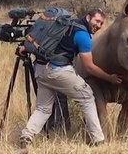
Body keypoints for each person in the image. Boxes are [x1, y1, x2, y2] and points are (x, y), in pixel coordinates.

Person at [19, 8, 122, 153]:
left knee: (43, 108)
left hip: (40, 70)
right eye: (97, 21)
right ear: (88, 18)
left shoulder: (65, 24)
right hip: (58, 71)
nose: (98, 26)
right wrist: (109, 77)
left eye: (101, 23)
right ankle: (98, 140)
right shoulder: (82, 35)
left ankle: (26, 136)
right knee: (87, 96)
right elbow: (89, 67)